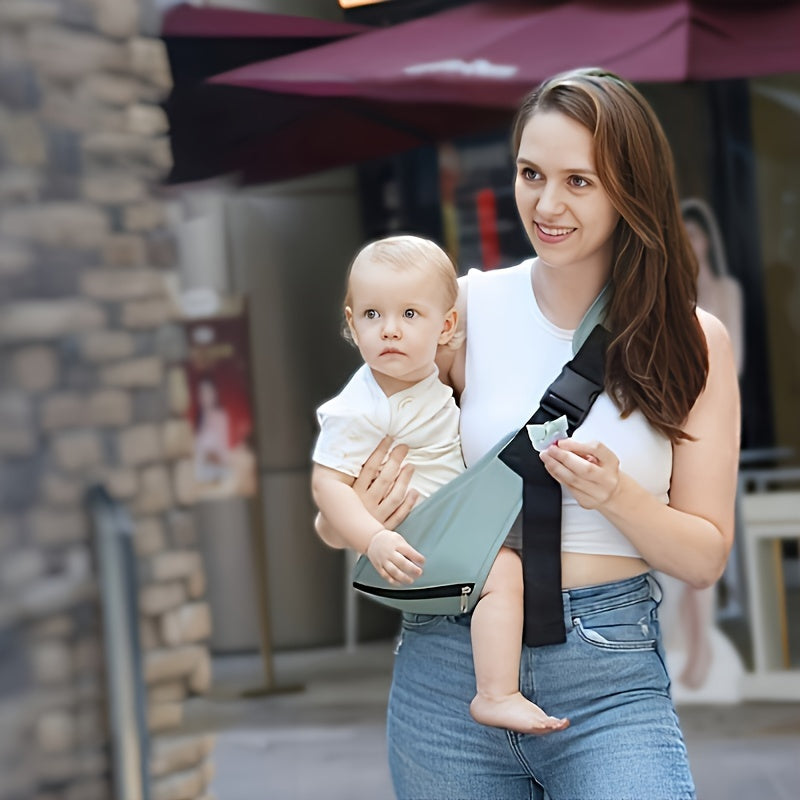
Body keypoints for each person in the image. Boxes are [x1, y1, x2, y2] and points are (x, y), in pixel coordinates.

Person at [316, 67, 740, 799]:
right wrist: (349, 521)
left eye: (580, 181)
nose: (547, 204)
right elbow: (347, 487)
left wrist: (616, 496)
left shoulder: (693, 341)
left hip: (608, 676)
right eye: (531, 173)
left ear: (630, 189)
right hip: (451, 668)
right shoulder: (463, 312)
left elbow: (703, 558)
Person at [311, 234, 568, 736]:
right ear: (351, 323)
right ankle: (496, 692)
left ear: (446, 325)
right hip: (420, 538)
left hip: (448, 523)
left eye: (409, 315)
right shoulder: (360, 406)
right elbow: (329, 485)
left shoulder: (429, 377)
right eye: (371, 316)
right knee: (505, 573)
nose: (389, 330)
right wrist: (373, 537)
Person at [656, 197, 746, 697]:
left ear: (708, 238)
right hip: (671, 423)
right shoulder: (667, 297)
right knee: (678, 542)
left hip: (713, 421)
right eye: (683, 236)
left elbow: (733, 363)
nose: (692, 243)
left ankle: (703, 648)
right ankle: (684, 647)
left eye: (697, 235)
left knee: (708, 537)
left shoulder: (725, 292)